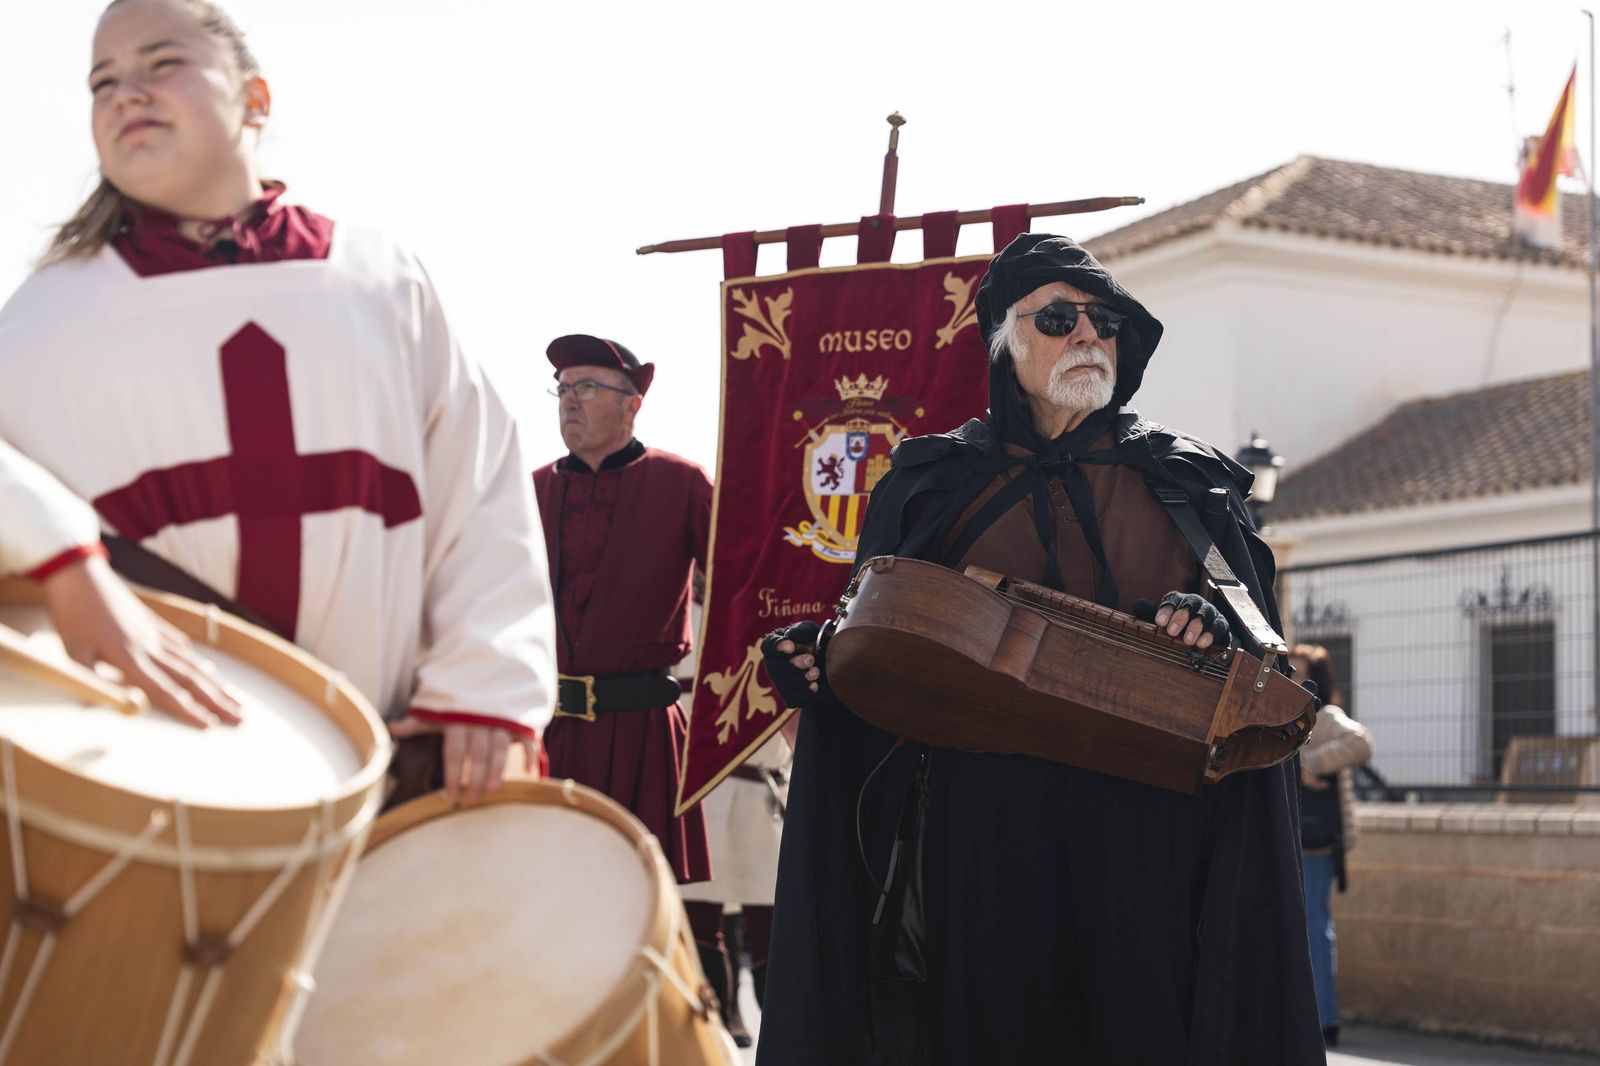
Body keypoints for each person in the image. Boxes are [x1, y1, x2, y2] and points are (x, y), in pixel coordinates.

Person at [760, 233, 1325, 1064]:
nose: (1087, 335)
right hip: (986, 826)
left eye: (1104, 319)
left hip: (1148, 825)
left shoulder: (1188, 481)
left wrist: (1208, 628)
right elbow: (883, 635)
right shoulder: (932, 483)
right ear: (1004, 343)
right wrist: (820, 659)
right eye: (1058, 318)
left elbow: (1257, 654)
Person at [0, 0, 555, 801]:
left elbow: (480, 491)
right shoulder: (42, 319)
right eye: (103, 82)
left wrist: (488, 688)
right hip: (144, 769)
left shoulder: (381, 279)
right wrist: (64, 558)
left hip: (389, 757)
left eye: (162, 64)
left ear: (256, 99)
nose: (128, 93)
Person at [530, 334, 719, 992]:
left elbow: (738, 584)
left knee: (647, 911)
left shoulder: (682, 481)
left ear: (631, 405)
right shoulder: (531, 490)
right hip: (551, 733)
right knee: (547, 905)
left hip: (641, 729)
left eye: (586, 388)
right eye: (562, 389)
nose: (570, 402)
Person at [1290, 643, 1374, 1050]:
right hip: (1288, 839)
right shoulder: (1282, 711)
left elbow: (1361, 742)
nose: (1290, 674)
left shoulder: (1324, 718)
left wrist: (1309, 764)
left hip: (1316, 843)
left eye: (1299, 669)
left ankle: (1325, 1019)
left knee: (1315, 930)